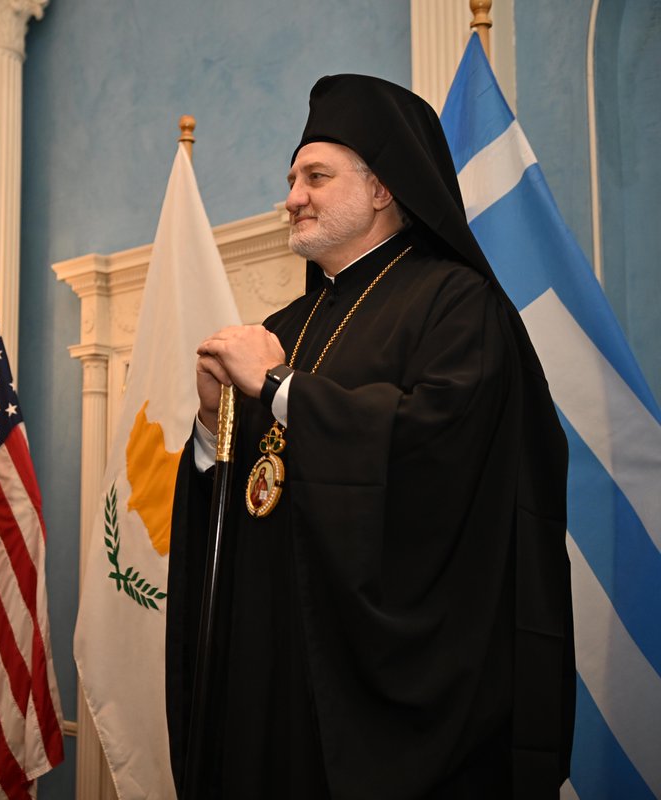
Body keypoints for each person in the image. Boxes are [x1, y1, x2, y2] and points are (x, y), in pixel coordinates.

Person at [165, 75, 575, 798]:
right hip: (270, 678)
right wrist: (210, 426)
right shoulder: (283, 329)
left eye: (316, 177)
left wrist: (282, 390)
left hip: (376, 697)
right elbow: (247, 500)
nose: (292, 195)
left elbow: (438, 456)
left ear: (382, 189)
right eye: (292, 178)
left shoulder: (456, 304)